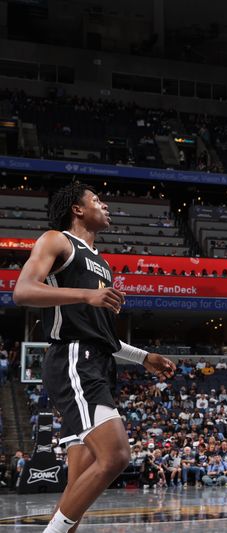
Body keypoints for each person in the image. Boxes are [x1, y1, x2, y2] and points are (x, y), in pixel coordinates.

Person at [12, 182, 175, 533]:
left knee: (79, 486)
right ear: (77, 209)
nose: (105, 205)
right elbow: (21, 291)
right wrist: (86, 295)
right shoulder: (57, 240)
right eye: (97, 200)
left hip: (96, 361)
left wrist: (144, 356)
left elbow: (102, 335)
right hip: (73, 359)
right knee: (116, 455)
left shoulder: (102, 263)